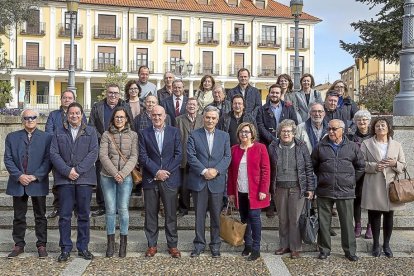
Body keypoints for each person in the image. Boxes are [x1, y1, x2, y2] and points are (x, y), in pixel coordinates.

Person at [50, 102, 99, 262]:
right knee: (64, 216)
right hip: (64, 180)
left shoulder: (90, 132)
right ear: (67, 115)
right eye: (71, 113)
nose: (74, 116)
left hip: (84, 179)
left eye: (77, 113)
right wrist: (67, 171)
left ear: (82, 115)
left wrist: (77, 170)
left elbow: (93, 153)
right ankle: (65, 248)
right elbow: (54, 153)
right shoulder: (58, 132)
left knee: (83, 215)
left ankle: (83, 247)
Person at [311, 119, 365, 262]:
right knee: (324, 222)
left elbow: (361, 166)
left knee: (347, 223)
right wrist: (323, 177)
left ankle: (350, 251)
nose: (331, 131)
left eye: (334, 129)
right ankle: (324, 250)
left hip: (345, 191)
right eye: (329, 129)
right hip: (324, 189)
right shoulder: (319, 146)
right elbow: (313, 165)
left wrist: (351, 180)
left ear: (343, 130)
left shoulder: (352, 147)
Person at [4, 109, 52, 258]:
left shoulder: (47, 138)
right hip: (18, 183)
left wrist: (35, 176)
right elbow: (8, 159)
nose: (30, 120)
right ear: (22, 120)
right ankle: (19, 245)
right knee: (18, 216)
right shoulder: (12, 137)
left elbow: (48, 160)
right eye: (26, 118)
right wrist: (19, 176)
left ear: (37, 119)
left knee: (40, 216)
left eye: (32, 117)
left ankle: (42, 245)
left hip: (37, 182)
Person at [138, 105, 182, 258]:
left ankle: (172, 245)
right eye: (154, 115)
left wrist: (165, 172)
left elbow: (178, 155)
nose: (156, 117)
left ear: (165, 116)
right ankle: (151, 245)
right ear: (150, 116)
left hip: (170, 179)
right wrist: (157, 171)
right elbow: (143, 156)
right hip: (151, 179)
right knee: (150, 214)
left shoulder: (174, 132)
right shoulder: (144, 133)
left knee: (171, 215)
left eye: (159, 115)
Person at [187, 106, 231, 258]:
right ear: (203, 118)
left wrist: (216, 171)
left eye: (213, 118)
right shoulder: (193, 135)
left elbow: (227, 157)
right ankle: (199, 244)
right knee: (199, 216)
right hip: (199, 181)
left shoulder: (224, 136)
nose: (210, 120)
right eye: (207, 117)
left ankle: (215, 245)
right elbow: (191, 156)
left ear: (217, 120)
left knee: (215, 216)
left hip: (217, 182)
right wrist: (205, 171)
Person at [360, 117, 406, 258]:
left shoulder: (397, 145)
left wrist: (394, 163)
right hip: (373, 183)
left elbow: (403, 165)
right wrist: (374, 166)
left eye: (383, 125)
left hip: (390, 185)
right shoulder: (366, 143)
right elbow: (360, 163)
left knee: (388, 216)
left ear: (388, 128)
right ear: (373, 128)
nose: (380, 128)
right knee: (374, 216)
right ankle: (375, 245)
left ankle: (386, 245)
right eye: (378, 126)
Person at [269, 119, 314, 259]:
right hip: (279, 187)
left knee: (294, 219)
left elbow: (308, 168)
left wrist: (310, 188)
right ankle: (284, 245)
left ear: (294, 133)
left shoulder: (301, 146)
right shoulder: (273, 146)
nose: (286, 133)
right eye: (283, 131)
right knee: (283, 218)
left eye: (289, 131)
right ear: (279, 133)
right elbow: (269, 168)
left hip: (297, 187)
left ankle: (295, 247)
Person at [227, 123, 270, 261]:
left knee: (254, 218)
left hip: (256, 191)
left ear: (252, 134)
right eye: (241, 132)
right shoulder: (234, 149)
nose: (244, 134)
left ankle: (256, 248)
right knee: (244, 219)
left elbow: (265, 170)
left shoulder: (260, 148)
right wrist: (231, 193)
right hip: (240, 190)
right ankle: (248, 245)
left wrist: (264, 189)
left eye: (247, 132)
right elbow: (231, 172)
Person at [88, 83, 133, 217]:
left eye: (115, 93)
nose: (113, 95)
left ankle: (120, 206)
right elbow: (91, 125)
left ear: (119, 94)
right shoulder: (98, 106)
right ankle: (102, 205)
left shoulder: (125, 106)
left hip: (121, 147)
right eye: (110, 92)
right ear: (106, 93)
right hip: (103, 146)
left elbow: (130, 124)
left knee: (121, 176)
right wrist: (103, 138)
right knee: (102, 175)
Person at [99, 106, 138, 258]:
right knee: (110, 210)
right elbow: (103, 156)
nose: (119, 119)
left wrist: (122, 173)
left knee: (123, 209)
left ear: (127, 118)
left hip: (126, 176)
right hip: (107, 177)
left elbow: (134, 156)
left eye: (122, 117)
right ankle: (110, 244)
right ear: (113, 119)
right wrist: (115, 173)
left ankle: (123, 243)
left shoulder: (133, 135)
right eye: (117, 117)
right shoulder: (106, 135)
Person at [45, 90, 86, 219]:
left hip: (76, 155)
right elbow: (49, 132)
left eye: (70, 98)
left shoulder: (80, 115)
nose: (67, 100)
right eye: (64, 97)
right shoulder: (53, 115)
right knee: (58, 182)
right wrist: (60, 144)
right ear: (61, 99)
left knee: (76, 181)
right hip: (58, 154)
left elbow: (84, 132)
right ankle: (58, 207)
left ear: (74, 99)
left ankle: (75, 207)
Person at [175, 98, 204, 217]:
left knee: (200, 184)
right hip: (184, 157)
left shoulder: (203, 119)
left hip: (200, 157)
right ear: (186, 106)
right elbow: (176, 138)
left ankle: (201, 209)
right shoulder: (178, 120)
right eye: (189, 104)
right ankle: (183, 209)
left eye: (194, 104)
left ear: (198, 107)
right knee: (184, 186)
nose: (191, 106)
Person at [347, 110, 373, 239]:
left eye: (365, 120)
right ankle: (357, 225)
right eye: (359, 120)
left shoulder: (374, 136)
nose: (362, 122)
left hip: (371, 173)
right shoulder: (351, 137)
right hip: (356, 172)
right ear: (355, 122)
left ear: (369, 122)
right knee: (356, 200)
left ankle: (370, 226)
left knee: (371, 200)